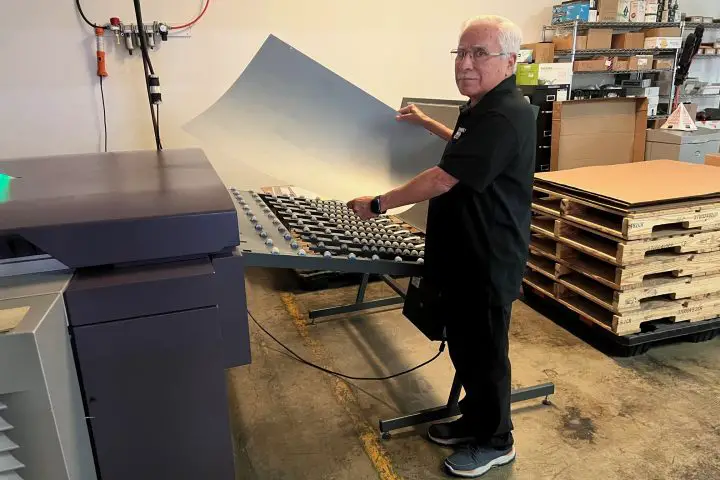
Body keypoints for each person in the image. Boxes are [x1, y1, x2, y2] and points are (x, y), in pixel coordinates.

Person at [347, 15, 536, 478]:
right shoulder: (482, 106)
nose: (466, 63)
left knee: (486, 354)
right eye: (461, 52)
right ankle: (475, 420)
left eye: (479, 53)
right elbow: (465, 150)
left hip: (488, 260)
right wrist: (429, 122)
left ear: (510, 60)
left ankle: (497, 440)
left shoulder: (505, 113)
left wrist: (377, 203)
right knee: (467, 349)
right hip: (463, 255)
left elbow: (443, 176)